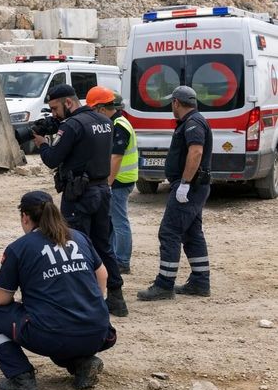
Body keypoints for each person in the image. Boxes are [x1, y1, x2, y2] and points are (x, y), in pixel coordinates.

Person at [0, 191, 116, 390]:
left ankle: (21, 378)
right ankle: (81, 364)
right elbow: (103, 276)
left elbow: (0, 300)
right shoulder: (78, 237)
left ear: (25, 217)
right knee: (60, 321)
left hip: (52, 335)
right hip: (100, 332)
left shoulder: (19, 248)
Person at [32, 84, 128, 317]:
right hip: (102, 190)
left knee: (75, 246)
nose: (54, 114)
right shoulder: (104, 121)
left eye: (55, 108)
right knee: (103, 244)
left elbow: (53, 159)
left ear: (69, 102)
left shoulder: (73, 126)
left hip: (80, 195)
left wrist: (42, 143)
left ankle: (82, 299)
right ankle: (116, 298)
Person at [137, 86, 212, 301]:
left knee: (169, 232)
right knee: (192, 233)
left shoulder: (192, 123)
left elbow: (196, 152)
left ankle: (164, 284)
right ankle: (200, 281)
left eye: (172, 103)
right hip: (195, 186)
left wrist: (185, 183)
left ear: (177, 103)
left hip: (191, 186)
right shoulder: (193, 121)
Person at [86, 87, 138, 274]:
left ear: (102, 108)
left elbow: (116, 157)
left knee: (118, 222)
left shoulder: (119, 125)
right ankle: (117, 257)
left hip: (119, 180)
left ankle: (122, 261)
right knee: (114, 222)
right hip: (120, 179)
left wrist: (107, 183)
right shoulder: (116, 122)